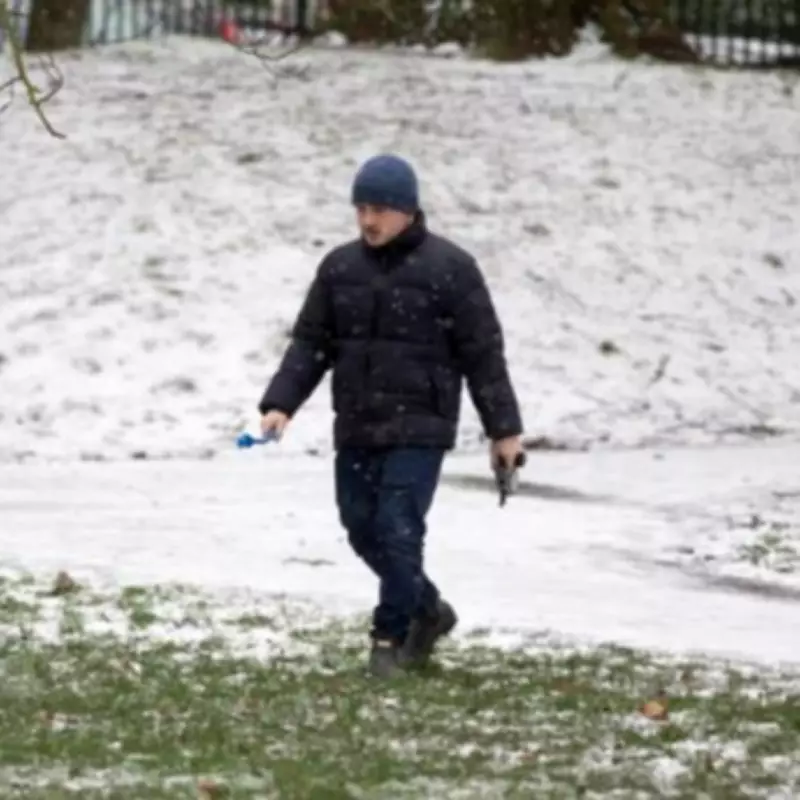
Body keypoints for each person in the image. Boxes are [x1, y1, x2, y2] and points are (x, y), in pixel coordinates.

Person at [257, 154, 524, 678]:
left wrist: (505, 431)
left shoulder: (452, 269)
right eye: (360, 208)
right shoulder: (339, 268)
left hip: (421, 425)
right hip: (357, 421)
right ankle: (428, 609)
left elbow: (484, 355)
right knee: (361, 528)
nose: (367, 221)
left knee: (398, 528)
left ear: (407, 210)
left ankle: (388, 638)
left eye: (379, 208)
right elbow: (311, 343)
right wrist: (280, 403)